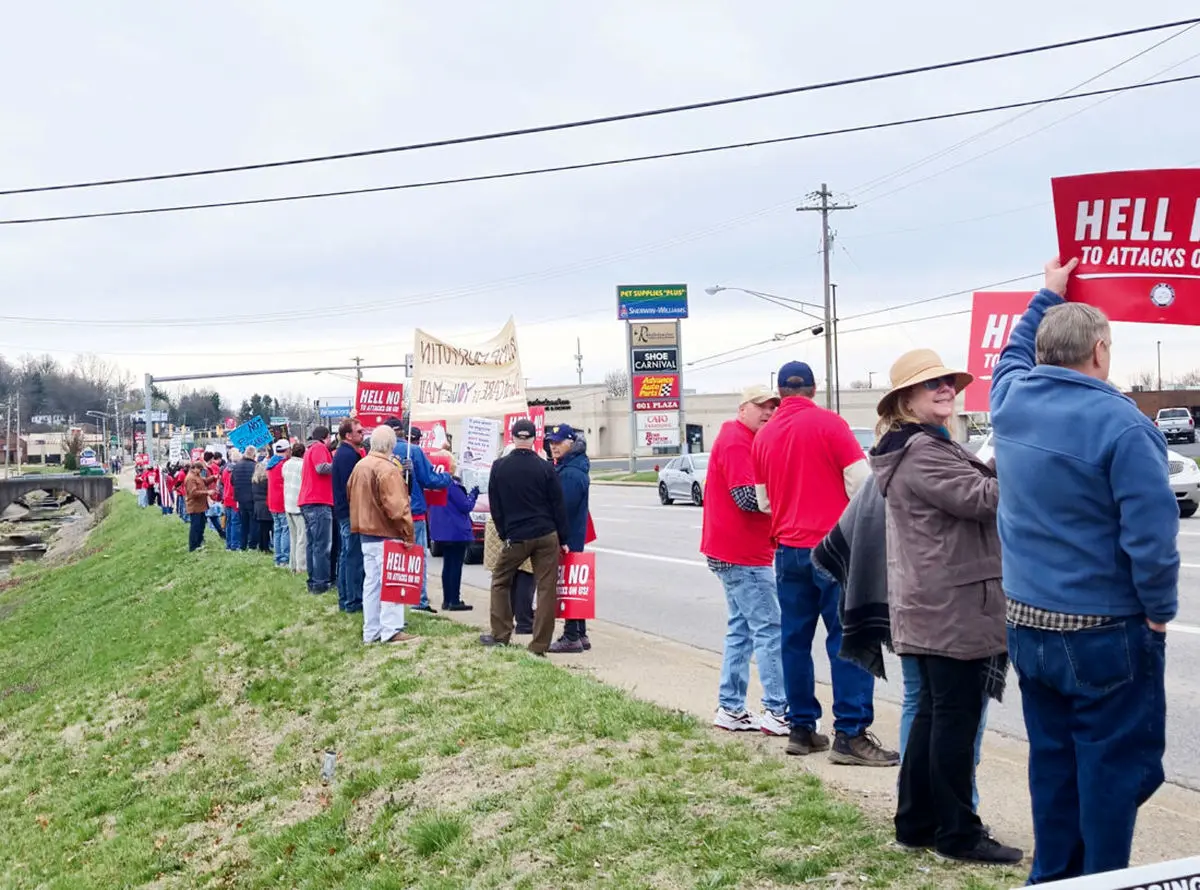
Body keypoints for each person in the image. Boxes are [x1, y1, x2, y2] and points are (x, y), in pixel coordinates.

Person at [991, 258, 1178, 883]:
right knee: (1115, 770)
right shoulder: (1125, 426)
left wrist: (1046, 292)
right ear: (1101, 351)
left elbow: (1013, 355)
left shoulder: (1010, 402)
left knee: (1053, 765)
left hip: (1027, 624)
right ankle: (1101, 878)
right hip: (1104, 631)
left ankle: (1054, 876)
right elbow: (1151, 541)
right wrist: (1159, 614)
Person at [869, 349, 1020, 865]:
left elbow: (976, 487)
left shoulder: (923, 445)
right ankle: (958, 834)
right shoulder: (922, 451)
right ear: (906, 399)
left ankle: (916, 824)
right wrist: (1024, 457)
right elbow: (984, 499)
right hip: (950, 606)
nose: (944, 389)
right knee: (952, 721)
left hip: (935, 603)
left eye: (948, 382)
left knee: (935, 718)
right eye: (931, 384)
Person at [751, 360, 898, 766]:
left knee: (794, 641)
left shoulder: (763, 437)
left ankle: (801, 726)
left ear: (780, 393)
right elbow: (862, 485)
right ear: (814, 389)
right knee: (848, 640)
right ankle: (849, 734)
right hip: (833, 547)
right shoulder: (831, 425)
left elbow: (763, 502)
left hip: (787, 550)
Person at [702, 385, 789, 737]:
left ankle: (731, 708)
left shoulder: (741, 438)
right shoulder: (738, 440)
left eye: (772, 407)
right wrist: (789, 501)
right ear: (743, 409)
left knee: (742, 630)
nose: (768, 412)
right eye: (761, 406)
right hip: (742, 554)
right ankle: (777, 709)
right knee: (769, 629)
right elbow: (746, 498)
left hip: (733, 551)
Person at [479, 418, 569, 655]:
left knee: (500, 580)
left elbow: (495, 505)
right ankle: (539, 645)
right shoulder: (545, 467)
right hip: (546, 533)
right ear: (533, 439)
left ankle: (500, 634)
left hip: (516, 536)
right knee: (546, 588)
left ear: (512, 437)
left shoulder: (499, 467)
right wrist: (564, 538)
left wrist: (503, 532)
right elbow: (557, 505)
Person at [348, 423, 418, 644]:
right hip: (386, 533)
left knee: (372, 585)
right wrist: (408, 533)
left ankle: (371, 631)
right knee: (392, 584)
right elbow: (398, 507)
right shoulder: (387, 469)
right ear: (391, 445)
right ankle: (391, 630)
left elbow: (349, 493)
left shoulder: (360, 465)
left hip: (365, 533)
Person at [388, 421, 451, 613]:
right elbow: (429, 478)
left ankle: (395, 598)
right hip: (412, 511)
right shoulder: (412, 451)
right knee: (416, 556)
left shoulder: (379, 452)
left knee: (394, 559)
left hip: (388, 513)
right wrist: (447, 476)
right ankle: (418, 600)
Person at [546, 424, 592, 654]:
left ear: (570, 443)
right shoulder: (569, 468)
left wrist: (561, 536)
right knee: (574, 583)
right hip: (572, 534)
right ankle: (580, 634)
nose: (553, 446)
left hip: (568, 536)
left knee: (568, 585)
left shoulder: (571, 474)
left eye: (558, 442)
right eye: (551, 442)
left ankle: (571, 635)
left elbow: (563, 509)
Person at [428, 454, 479, 612]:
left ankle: (447, 600)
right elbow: (465, 506)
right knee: (455, 566)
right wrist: (473, 494)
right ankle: (454, 600)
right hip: (456, 531)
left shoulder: (434, 483)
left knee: (447, 565)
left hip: (442, 530)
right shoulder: (451, 484)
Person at [332, 418, 365, 613]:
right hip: (350, 512)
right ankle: (352, 600)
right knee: (353, 556)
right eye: (359, 432)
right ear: (348, 435)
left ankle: (346, 599)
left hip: (345, 511)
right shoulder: (347, 456)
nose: (362, 434)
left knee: (346, 555)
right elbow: (351, 486)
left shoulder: (346, 453)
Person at [299, 427, 335, 594]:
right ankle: (321, 582)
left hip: (308, 500)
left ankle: (313, 580)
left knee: (313, 544)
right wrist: (338, 465)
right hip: (318, 501)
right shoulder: (320, 448)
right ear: (325, 438)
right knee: (322, 545)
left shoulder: (309, 450)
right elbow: (321, 468)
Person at [266, 440, 291, 568]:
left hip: (272, 501)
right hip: (282, 501)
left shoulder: (270, 464)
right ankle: (285, 558)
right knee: (285, 529)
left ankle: (277, 557)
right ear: (287, 450)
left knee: (277, 530)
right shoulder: (284, 465)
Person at [283, 442, 307, 575]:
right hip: (299, 504)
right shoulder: (303, 465)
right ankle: (301, 567)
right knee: (301, 538)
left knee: (293, 537)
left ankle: (292, 564)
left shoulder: (286, 465)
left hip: (288, 503)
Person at [183, 461, 216, 552]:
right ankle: (193, 546)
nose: (201, 471)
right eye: (200, 469)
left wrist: (213, 477)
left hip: (200, 506)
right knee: (195, 527)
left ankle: (199, 543)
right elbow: (193, 493)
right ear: (195, 468)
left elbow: (204, 481)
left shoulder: (196, 476)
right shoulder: (190, 478)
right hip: (195, 506)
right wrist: (207, 492)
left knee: (201, 525)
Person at [231, 446, 258, 551]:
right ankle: (252, 545)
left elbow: (232, 481)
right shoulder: (255, 466)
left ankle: (243, 545)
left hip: (240, 499)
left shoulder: (237, 466)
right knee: (253, 522)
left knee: (243, 523)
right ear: (253, 455)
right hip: (252, 498)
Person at [221, 449, 241, 551]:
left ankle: (228, 544)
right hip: (234, 499)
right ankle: (235, 544)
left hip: (226, 497)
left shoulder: (225, 470)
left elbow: (223, 483)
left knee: (228, 522)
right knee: (235, 522)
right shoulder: (237, 470)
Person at [251, 460, 272, 553]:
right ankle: (266, 547)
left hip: (257, 505)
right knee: (266, 528)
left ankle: (261, 546)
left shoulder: (254, 481)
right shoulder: (266, 480)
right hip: (265, 506)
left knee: (261, 528)